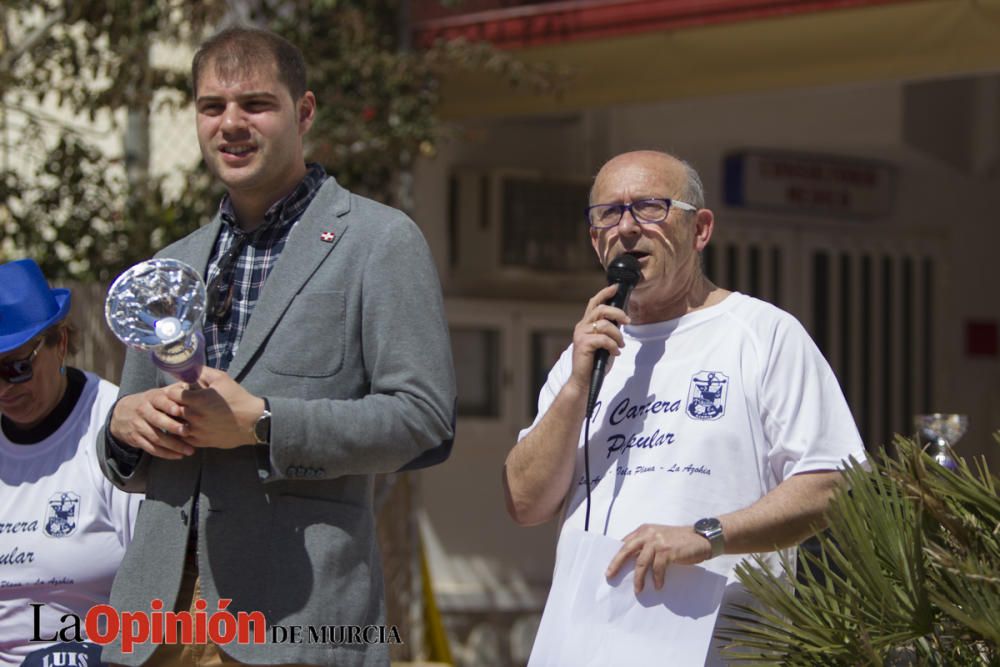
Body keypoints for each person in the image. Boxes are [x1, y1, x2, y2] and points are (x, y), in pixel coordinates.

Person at [98, 26, 456, 666]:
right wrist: (124, 429)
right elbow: (127, 448)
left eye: (255, 104)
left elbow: (423, 422)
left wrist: (264, 423)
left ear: (305, 111)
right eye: (212, 107)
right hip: (155, 624)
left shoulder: (379, 241)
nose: (230, 123)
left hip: (296, 619)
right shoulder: (173, 263)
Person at [503, 150, 867, 664]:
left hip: (718, 646)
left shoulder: (761, 334)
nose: (627, 228)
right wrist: (576, 385)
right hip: (585, 642)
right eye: (608, 213)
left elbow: (832, 485)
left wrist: (707, 536)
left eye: (649, 208)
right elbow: (525, 502)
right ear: (594, 239)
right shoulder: (584, 355)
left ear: (700, 230)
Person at [0, 258, 141, 666]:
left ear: (59, 343)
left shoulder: (116, 427)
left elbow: (160, 586)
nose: (5, 388)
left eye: (17, 368)